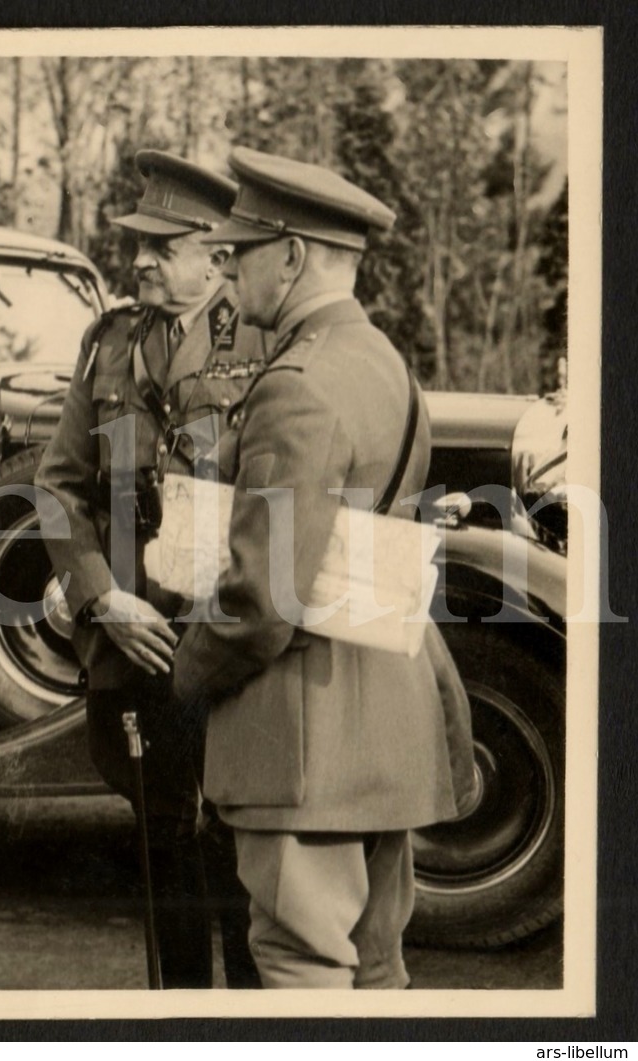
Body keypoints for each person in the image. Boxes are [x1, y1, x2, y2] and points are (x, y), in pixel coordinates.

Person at [172, 146, 476, 989]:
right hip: (387, 718)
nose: (228, 270)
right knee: (376, 968)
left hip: (302, 735)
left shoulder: (296, 383)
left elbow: (261, 598)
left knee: (302, 966)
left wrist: (185, 672)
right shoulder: (386, 364)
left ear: (293, 256)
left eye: (241, 253)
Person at [35, 151, 266, 989]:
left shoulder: (267, 341)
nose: (136, 261)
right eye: (136, 243)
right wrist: (102, 598)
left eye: (160, 246)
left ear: (214, 253)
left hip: (232, 643)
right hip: (134, 643)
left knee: (243, 855)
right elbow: (59, 485)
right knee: (162, 847)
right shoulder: (110, 343)